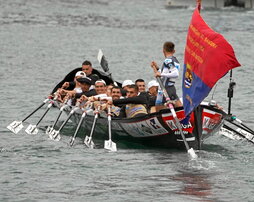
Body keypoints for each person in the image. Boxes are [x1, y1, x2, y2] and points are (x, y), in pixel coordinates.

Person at [150, 41, 182, 108]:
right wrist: (157, 68)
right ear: (174, 51)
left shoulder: (168, 60)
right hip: (170, 88)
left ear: (163, 51)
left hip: (165, 89)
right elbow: (167, 73)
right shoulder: (175, 60)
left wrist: (161, 74)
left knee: (158, 107)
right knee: (179, 107)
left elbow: (176, 73)